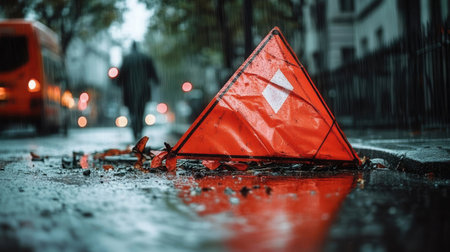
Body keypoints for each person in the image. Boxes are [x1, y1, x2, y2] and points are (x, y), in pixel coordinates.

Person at [117, 41, 159, 139]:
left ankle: (135, 128)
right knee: (141, 110)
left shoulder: (127, 59)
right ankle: (139, 128)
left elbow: (121, 74)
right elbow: (152, 72)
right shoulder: (146, 58)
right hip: (143, 88)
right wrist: (156, 80)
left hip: (129, 89)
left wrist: (118, 83)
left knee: (132, 110)